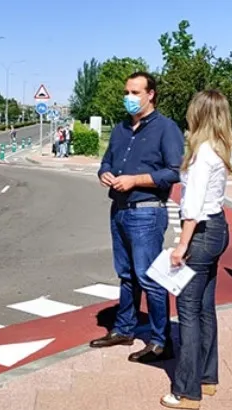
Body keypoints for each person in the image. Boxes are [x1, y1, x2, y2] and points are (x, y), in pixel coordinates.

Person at [89, 71, 184, 363]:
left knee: (150, 277)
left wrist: (136, 180)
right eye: (126, 92)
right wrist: (104, 171)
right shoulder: (120, 128)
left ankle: (160, 340)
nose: (128, 98)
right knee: (127, 275)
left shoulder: (166, 129)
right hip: (119, 210)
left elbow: (173, 172)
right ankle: (124, 328)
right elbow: (107, 159)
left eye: (134, 92)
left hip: (146, 212)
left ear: (150, 94)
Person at [160, 90, 232, 410]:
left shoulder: (203, 153)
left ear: (199, 114)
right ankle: (207, 376)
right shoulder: (220, 148)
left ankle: (187, 391)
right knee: (205, 308)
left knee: (187, 312)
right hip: (218, 228)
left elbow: (192, 207)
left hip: (201, 233)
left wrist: (181, 246)